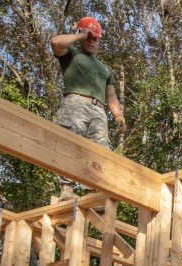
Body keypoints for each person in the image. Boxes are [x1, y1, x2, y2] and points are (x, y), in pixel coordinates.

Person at [49, 17, 125, 201]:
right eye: (89, 37)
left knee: (100, 150)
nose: (91, 41)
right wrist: (81, 34)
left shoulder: (105, 69)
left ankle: (92, 191)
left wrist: (118, 115)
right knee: (71, 142)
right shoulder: (72, 55)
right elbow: (55, 42)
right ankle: (66, 188)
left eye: (95, 38)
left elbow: (111, 96)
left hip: (98, 110)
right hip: (75, 102)